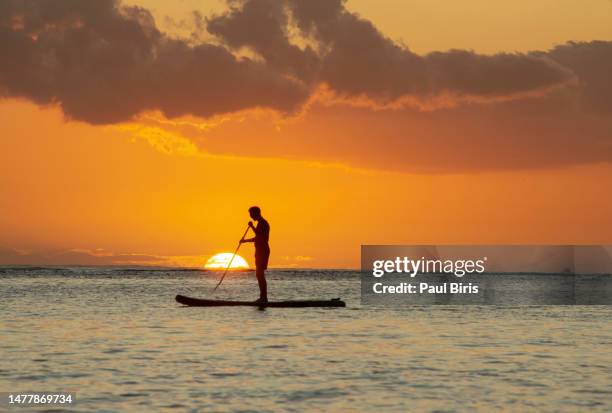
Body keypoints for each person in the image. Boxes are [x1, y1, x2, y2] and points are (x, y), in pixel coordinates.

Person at [239, 206, 270, 302]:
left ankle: (263, 298)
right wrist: (245, 241)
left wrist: (252, 226)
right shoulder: (260, 224)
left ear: (257, 213)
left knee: (260, 274)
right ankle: (263, 297)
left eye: (252, 214)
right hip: (259, 251)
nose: (251, 217)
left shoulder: (263, 223)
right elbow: (257, 238)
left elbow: (259, 236)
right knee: (258, 274)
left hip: (263, 251)